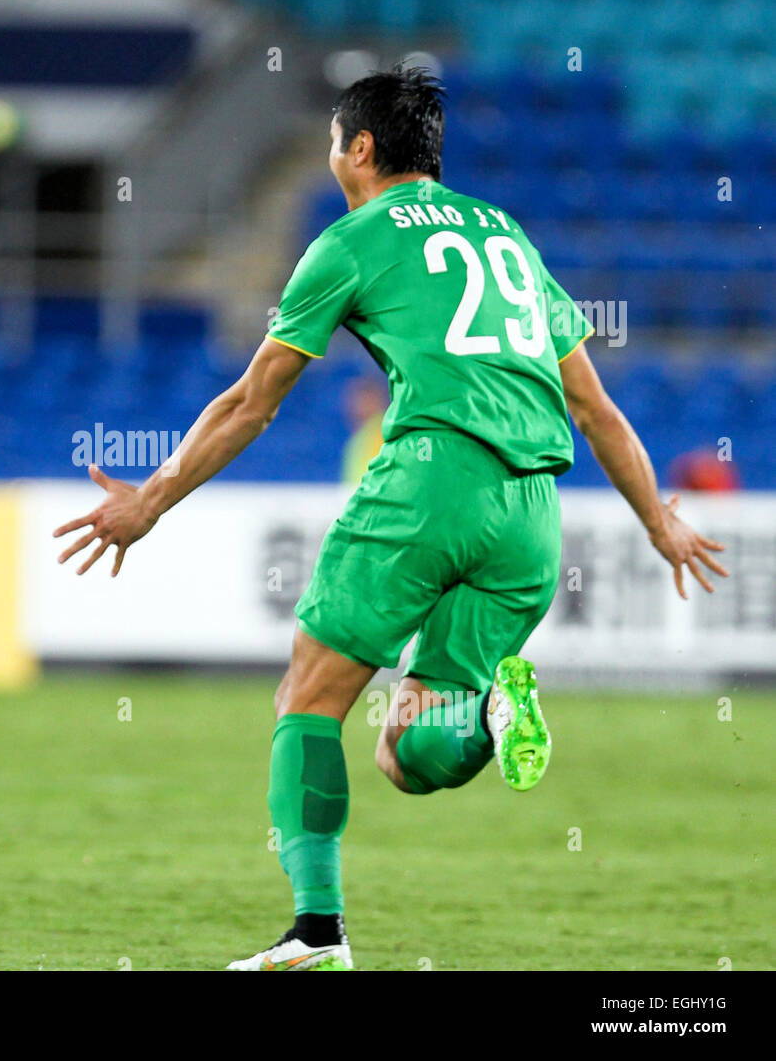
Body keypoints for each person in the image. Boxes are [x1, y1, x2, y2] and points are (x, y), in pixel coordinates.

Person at [53, 67, 727, 970]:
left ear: (359, 149)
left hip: (429, 484)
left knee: (308, 699)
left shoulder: (351, 240)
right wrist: (658, 523)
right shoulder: (508, 236)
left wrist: (150, 498)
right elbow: (596, 408)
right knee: (406, 754)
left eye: (334, 138)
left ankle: (318, 934)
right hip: (533, 511)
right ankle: (487, 713)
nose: (332, 153)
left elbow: (253, 403)